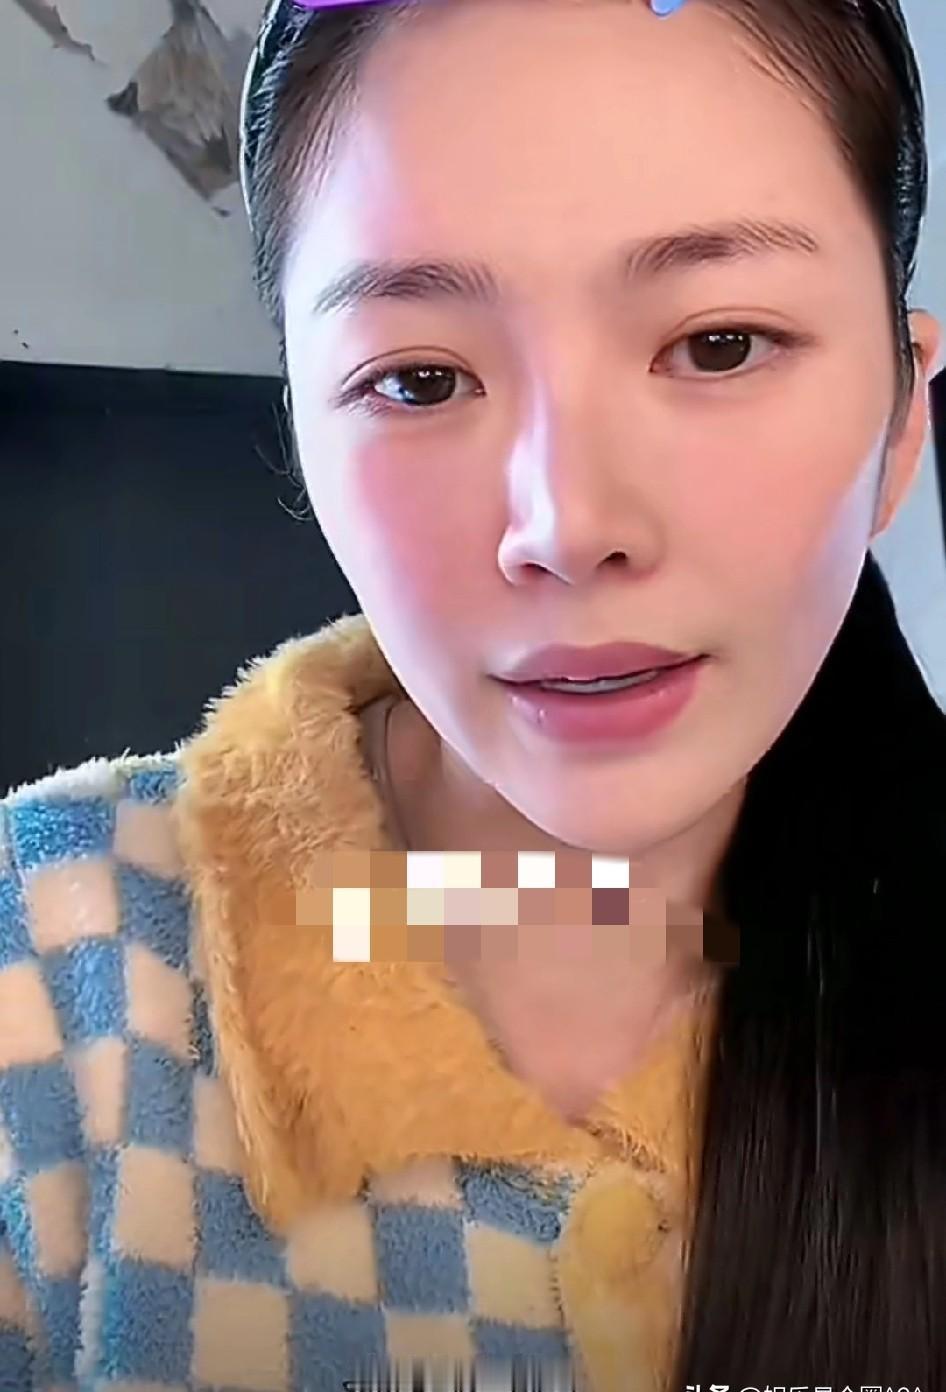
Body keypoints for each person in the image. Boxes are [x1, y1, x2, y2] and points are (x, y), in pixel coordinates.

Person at [1, 0, 943, 1387]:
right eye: (422, 377)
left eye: (719, 345)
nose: (567, 524)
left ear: (903, 416)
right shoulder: (47, 964)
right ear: (301, 425)